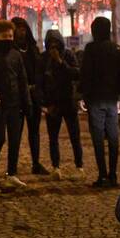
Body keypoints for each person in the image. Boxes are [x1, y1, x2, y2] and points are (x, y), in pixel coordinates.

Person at [80, 16, 120, 187]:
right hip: (112, 98)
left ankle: (102, 174)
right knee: (113, 136)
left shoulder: (91, 49)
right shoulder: (117, 49)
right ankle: (113, 175)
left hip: (95, 98)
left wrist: (83, 95)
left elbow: (86, 73)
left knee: (98, 137)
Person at [0, 20, 30, 188]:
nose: (8, 38)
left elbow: (22, 79)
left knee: (15, 140)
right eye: (5, 36)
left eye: (10, 36)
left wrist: (27, 103)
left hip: (15, 103)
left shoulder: (16, 54)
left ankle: (11, 173)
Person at [42, 29, 85, 181]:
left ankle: (79, 166)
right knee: (53, 137)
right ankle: (56, 167)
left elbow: (76, 73)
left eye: (56, 44)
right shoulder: (44, 59)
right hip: (53, 104)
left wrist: (60, 62)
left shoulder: (68, 55)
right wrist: (46, 104)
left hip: (68, 102)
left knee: (75, 136)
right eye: (50, 45)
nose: (53, 47)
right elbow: (40, 82)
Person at [11, 17, 48, 175]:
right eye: (18, 28)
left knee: (34, 131)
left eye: (23, 28)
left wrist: (38, 90)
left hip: (33, 95)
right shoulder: (11, 50)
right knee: (15, 133)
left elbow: (39, 71)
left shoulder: (33, 49)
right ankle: (12, 167)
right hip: (18, 97)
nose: (22, 31)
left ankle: (36, 162)